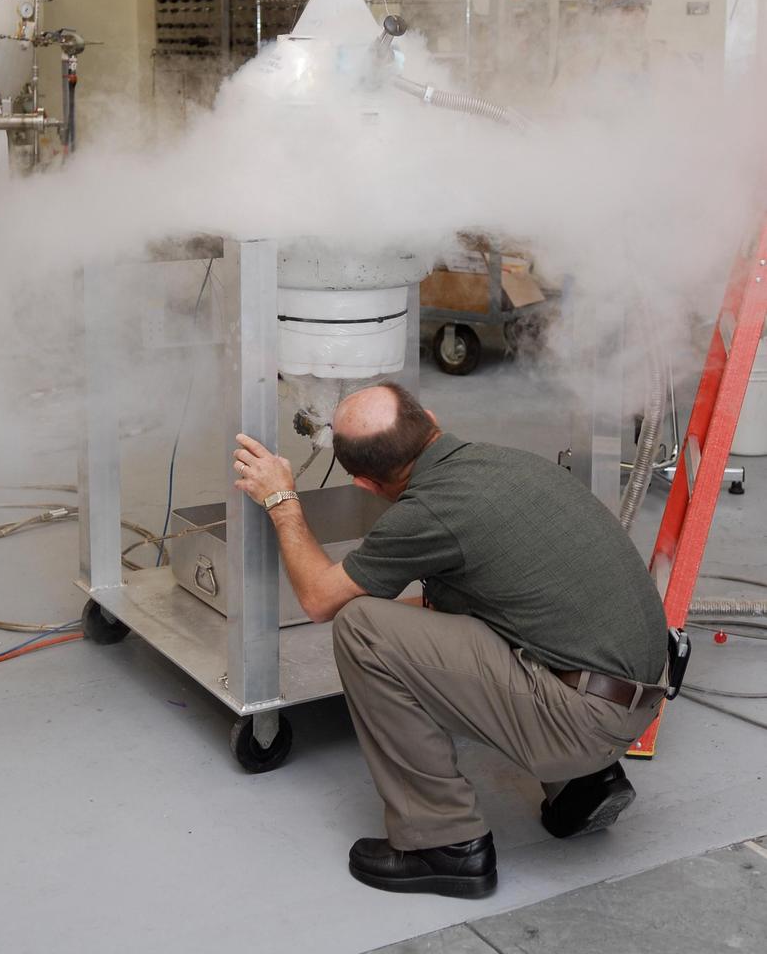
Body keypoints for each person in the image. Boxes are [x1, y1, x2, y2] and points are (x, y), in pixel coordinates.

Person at [232, 381, 668, 899]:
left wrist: (282, 501)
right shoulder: (505, 465)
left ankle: (445, 843)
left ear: (366, 486)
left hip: (584, 722)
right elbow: (456, 610)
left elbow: (320, 600)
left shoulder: (428, 513)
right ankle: (584, 784)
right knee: (471, 614)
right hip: (640, 691)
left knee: (363, 630)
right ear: (430, 419)